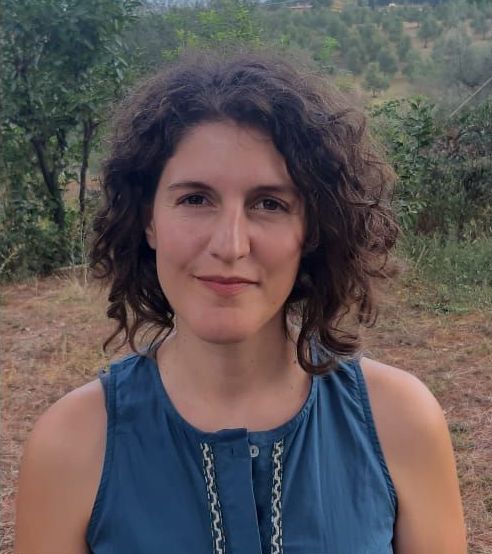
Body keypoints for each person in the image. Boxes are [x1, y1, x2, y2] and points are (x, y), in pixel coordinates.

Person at [15, 51, 466, 554]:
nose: (230, 245)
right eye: (195, 199)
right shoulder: (69, 445)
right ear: (149, 222)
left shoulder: (400, 421)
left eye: (269, 204)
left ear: (312, 229)